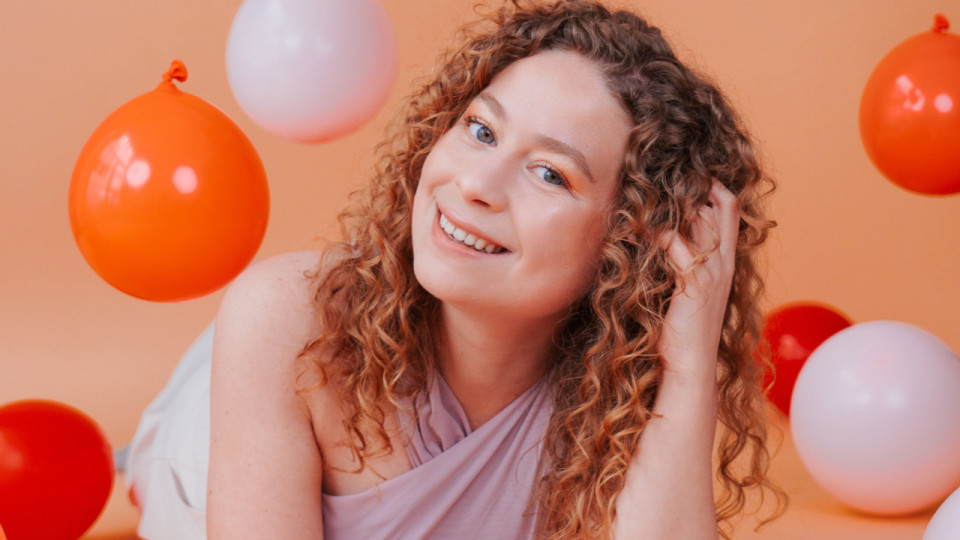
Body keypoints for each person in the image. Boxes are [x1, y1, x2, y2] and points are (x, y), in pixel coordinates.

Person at [125, 0, 786, 538]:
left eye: (549, 174)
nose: (476, 184)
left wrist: (689, 366)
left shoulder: (619, 392)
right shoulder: (286, 321)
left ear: (630, 245)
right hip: (208, 449)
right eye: (481, 131)